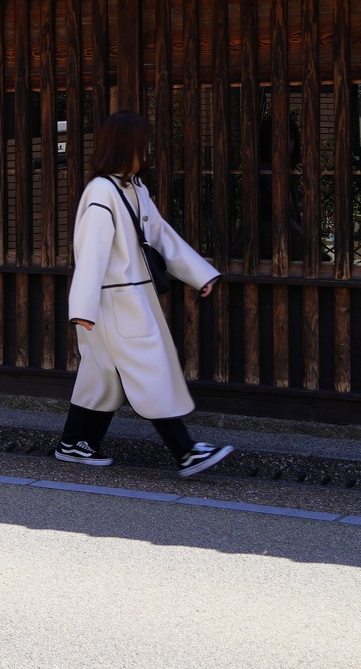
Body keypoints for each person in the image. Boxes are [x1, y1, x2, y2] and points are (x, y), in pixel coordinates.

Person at [57, 111, 234, 477]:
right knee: (150, 369)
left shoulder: (134, 188)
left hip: (127, 298)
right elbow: (91, 252)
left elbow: (161, 233)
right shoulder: (102, 192)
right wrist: (83, 308)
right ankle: (185, 451)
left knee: (102, 376)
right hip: (115, 302)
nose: (149, 149)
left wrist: (199, 274)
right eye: (144, 143)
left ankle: (74, 442)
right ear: (128, 146)